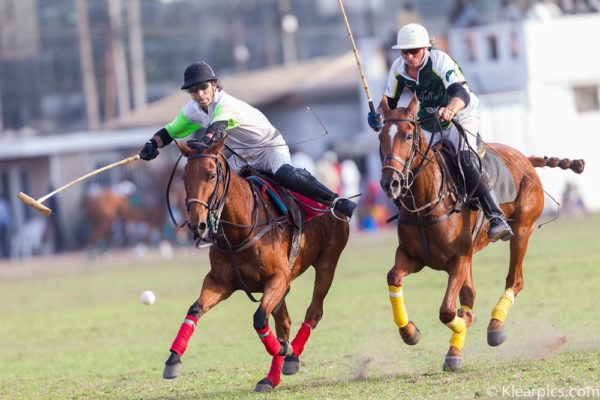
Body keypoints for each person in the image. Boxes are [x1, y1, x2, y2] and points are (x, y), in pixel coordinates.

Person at [139, 61, 356, 219]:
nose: (199, 94)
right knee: (220, 188)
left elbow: (214, 132)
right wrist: (152, 145)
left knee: (286, 175)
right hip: (241, 157)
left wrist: (198, 146)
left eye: (203, 87)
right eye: (193, 90)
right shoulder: (192, 110)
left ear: (214, 85)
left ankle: (335, 200)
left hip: (268, 148)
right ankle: (211, 227)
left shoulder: (226, 105)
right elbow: (169, 132)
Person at [366, 23, 513, 242]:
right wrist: (377, 116)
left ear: (425, 48)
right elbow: (390, 102)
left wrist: (450, 109)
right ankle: (413, 217)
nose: (408, 56)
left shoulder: (440, 61)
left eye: (413, 51)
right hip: (429, 121)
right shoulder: (398, 68)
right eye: (404, 51)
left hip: (460, 117)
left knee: (465, 158)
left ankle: (495, 216)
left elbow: (460, 92)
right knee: (409, 162)